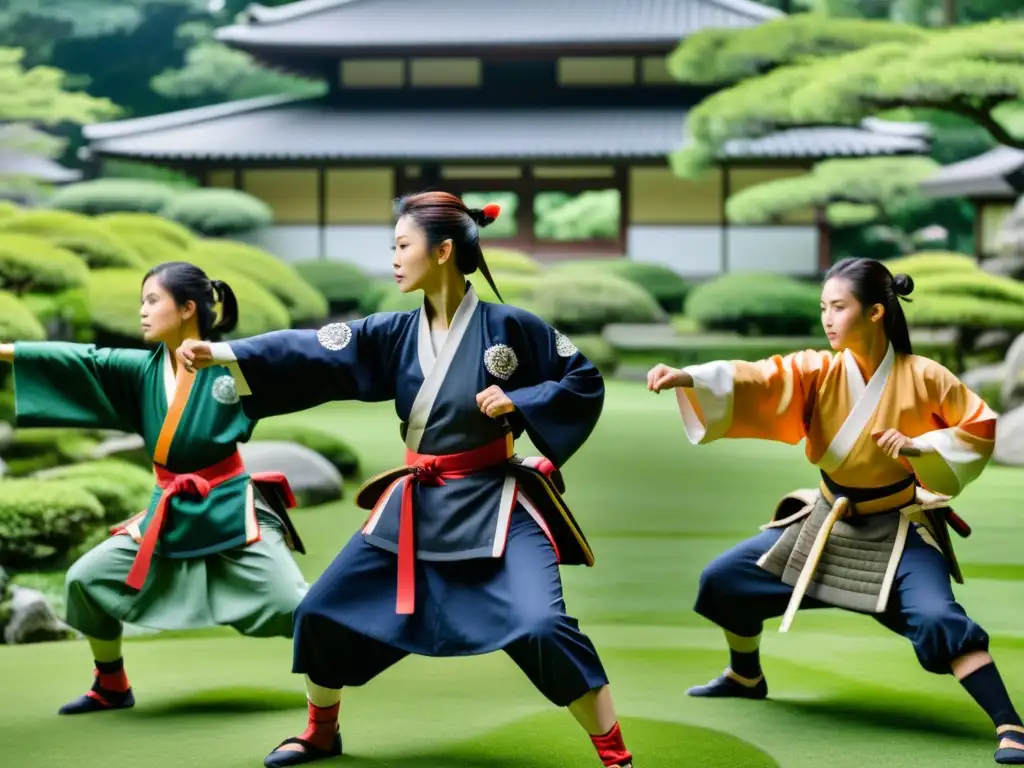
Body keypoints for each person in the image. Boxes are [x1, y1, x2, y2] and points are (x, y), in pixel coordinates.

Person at [177, 192, 634, 768]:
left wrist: (518, 400)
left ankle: (615, 755)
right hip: (415, 501)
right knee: (319, 611)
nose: (392, 258)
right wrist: (222, 351)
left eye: (402, 245)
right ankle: (321, 732)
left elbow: (582, 379)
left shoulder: (510, 327)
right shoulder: (391, 333)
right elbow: (313, 348)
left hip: (497, 501)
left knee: (542, 624)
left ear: (443, 251)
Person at [646, 257, 1023, 765]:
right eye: (823, 306)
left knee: (938, 618)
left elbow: (977, 430)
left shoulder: (926, 377)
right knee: (724, 581)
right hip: (826, 520)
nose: (827, 318)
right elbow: (759, 378)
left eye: (838, 307)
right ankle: (745, 675)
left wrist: (919, 448)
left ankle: (1009, 724)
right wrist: (689, 377)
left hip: (897, 528)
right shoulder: (818, 368)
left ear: (874, 312)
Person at [0, 261, 308, 716]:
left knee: (294, 604)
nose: (142, 312)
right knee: (84, 579)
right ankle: (110, 684)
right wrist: (5, 350)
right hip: (169, 511)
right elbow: (80, 359)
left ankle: (337, 670)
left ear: (187, 309)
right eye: (141, 302)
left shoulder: (235, 365)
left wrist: (229, 357)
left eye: (151, 301)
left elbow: (290, 360)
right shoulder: (141, 369)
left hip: (229, 508)